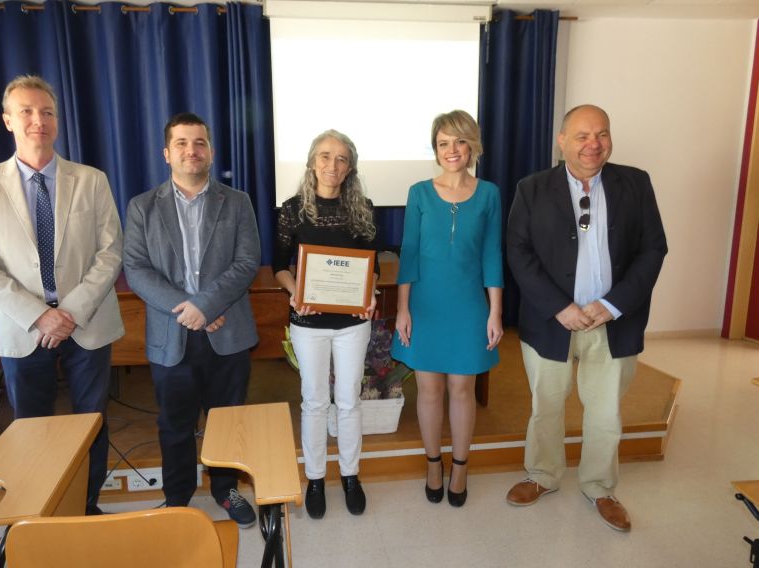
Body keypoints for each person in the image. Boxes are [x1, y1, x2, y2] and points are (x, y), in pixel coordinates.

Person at [0, 75, 124, 515]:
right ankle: (36, 510)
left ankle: (86, 507)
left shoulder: (91, 180)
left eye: (47, 112)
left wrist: (68, 311)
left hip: (86, 322)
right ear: (8, 120)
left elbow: (111, 252)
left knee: (91, 423)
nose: (39, 120)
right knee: (30, 427)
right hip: (22, 326)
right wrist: (40, 315)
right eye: (28, 112)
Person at [505, 104, 668, 532]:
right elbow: (518, 252)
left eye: (602, 134)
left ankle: (599, 486)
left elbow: (654, 249)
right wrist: (560, 307)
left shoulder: (636, 183)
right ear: (562, 141)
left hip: (614, 321)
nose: (593, 144)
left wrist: (612, 305)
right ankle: (542, 475)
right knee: (546, 405)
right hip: (550, 321)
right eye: (581, 135)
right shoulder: (531, 188)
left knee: (605, 412)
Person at [122, 112, 260, 528]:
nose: (191, 151)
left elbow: (248, 261)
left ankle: (226, 490)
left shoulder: (237, 202)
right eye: (181, 143)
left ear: (211, 151)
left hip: (228, 333)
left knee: (227, 421)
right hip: (171, 334)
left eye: (199, 142)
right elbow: (136, 269)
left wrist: (209, 305)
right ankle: (177, 498)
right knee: (174, 424)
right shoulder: (142, 206)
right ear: (167, 153)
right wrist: (192, 308)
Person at [392, 110, 503, 507]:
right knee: (429, 388)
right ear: (435, 149)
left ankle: (460, 465)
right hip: (425, 303)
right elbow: (409, 253)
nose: (451, 150)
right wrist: (403, 310)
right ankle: (433, 462)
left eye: (458, 141)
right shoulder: (419, 192)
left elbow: (492, 253)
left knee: (461, 388)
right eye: (442, 143)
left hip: (470, 305)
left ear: (472, 144)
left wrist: (495, 311)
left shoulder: (489, 193)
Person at [273, 130, 378, 520]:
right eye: (325, 156)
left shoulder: (363, 208)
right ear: (312, 161)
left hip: (353, 322)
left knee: (349, 402)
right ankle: (315, 478)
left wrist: (370, 294)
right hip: (308, 321)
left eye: (341, 158)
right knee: (315, 402)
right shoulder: (292, 210)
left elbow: (373, 264)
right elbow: (278, 266)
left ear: (350, 167)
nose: (332, 165)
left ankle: (351, 476)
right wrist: (294, 290)